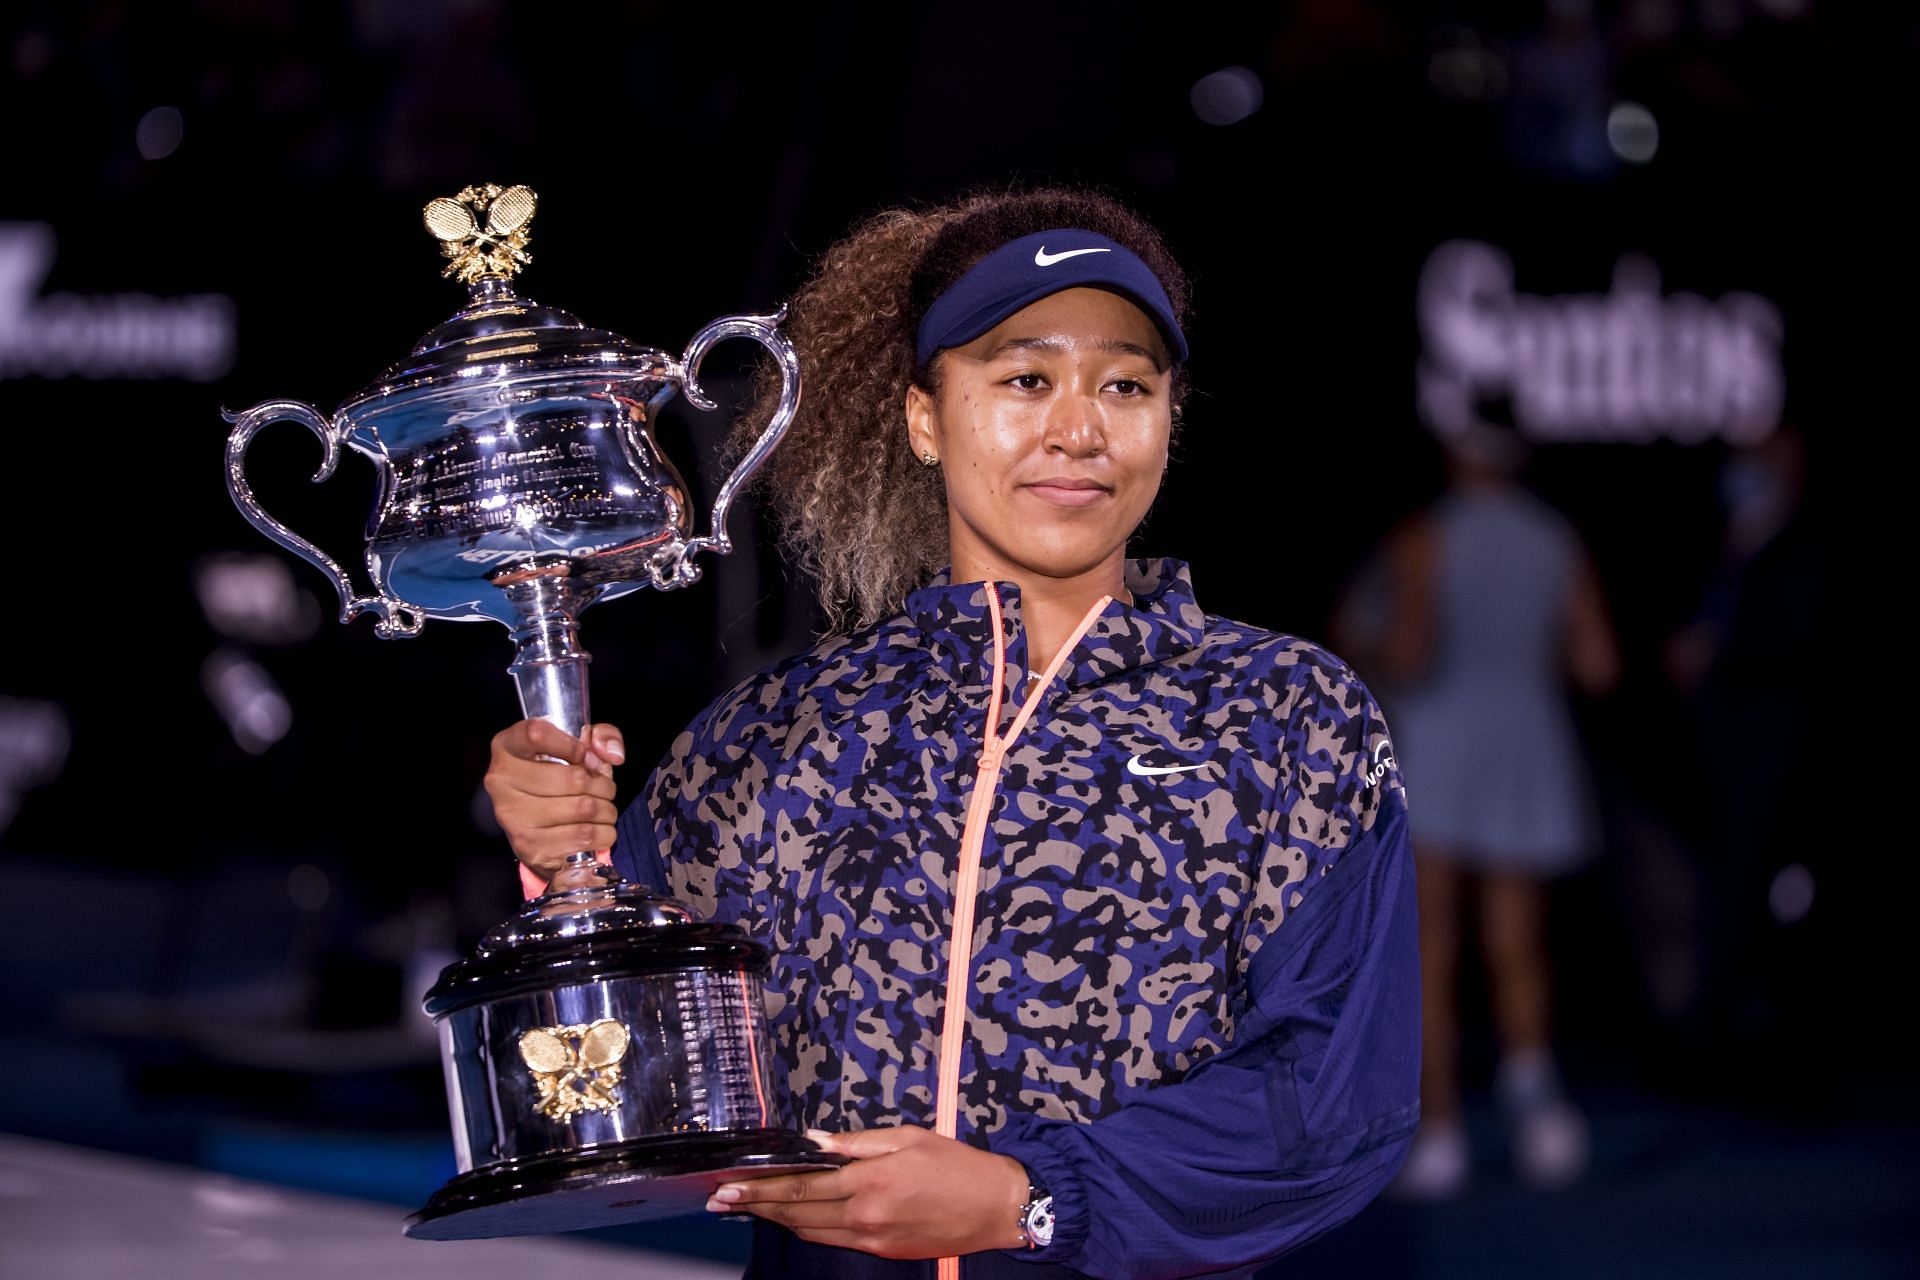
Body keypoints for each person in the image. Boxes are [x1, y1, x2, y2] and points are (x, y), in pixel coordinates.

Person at [483, 188, 1419, 1279]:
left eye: (1126, 384)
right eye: (1025, 379)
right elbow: (620, 1086)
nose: (1079, 428)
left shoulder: (1291, 720)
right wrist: (563, 863)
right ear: (926, 416)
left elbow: (1333, 1099)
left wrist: (1024, 1198)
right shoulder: (769, 740)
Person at [1333, 421, 1618, 1200]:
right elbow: (1597, 663)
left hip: (1445, 755)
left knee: (1434, 950)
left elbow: (1414, 651)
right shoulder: (1553, 537)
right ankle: (1540, 1117)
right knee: (1517, 943)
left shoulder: (1426, 538)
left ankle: (1444, 1132)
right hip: (1527, 752)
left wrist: (1374, 655)